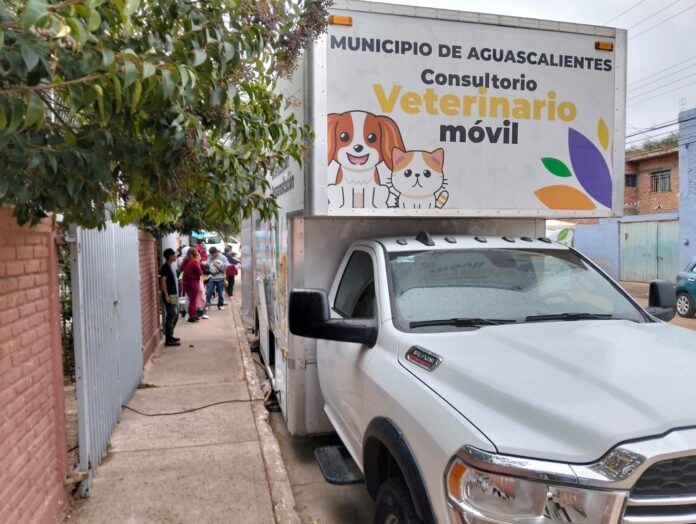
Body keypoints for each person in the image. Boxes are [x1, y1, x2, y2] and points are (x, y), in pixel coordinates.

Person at [159, 248, 181, 346]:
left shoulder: (169, 266)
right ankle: (168, 339)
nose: (175, 256)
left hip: (173, 295)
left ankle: (171, 335)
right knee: (171, 315)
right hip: (169, 295)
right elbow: (163, 282)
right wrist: (166, 295)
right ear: (170, 256)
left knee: (175, 315)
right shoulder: (165, 267)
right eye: (174, 254)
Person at [181, 248, 204, 322]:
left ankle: (193, 314)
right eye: (197, 253)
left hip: (186, 282)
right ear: (194, 254)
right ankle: (192, 316)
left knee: (191, 300)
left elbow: (182, 270)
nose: (198, 254)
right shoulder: (194, 262)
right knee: (193, 300)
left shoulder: (186, 261)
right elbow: (200, 272)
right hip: (193, 282)